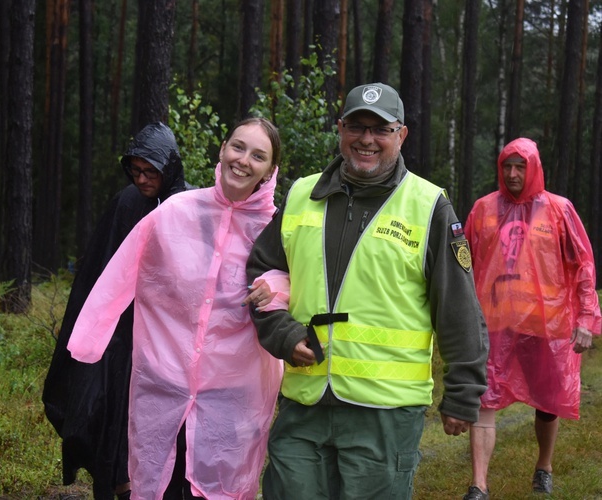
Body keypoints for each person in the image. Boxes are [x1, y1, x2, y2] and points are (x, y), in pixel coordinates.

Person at [246, 82, 489, 499]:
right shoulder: (303, 194)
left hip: (385, 414)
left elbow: (458, 307)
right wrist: (283, 334)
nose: (366, 140)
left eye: (380, 130)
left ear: (401, 135)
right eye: (356, 126)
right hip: (305, 405)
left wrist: (464, 391)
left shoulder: (429, 206)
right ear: (340, 129)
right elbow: (262, 273)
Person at [67, 117, 284, 500]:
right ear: (222, 149)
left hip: (234, 392)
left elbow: (302, 282)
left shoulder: (278, 227)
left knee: (220, 489)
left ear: (270, 169)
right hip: (164, 383)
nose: (243, 160)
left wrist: (279, 289)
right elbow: (121, 271)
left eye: (258, 155)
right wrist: (87, 340)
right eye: (238, 147)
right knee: (162, 484)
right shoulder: (177, 211)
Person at [43, 122, 187, 500]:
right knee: (106, 412)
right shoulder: (126, 203)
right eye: (135, 170)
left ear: (169, 168)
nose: (142, 179)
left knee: (158, 418)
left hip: (164, 337)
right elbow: (99, 272)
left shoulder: (186, 206)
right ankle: (118, 487)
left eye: (150, 171)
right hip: (119, 335)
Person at [461, 137, 601, 499]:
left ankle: (544, 465)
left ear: (534, 168)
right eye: (507, 166)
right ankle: (479, 484)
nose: (512, 174)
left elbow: (583, 265)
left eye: (520, 167)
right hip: (494, 324)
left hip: (544, 324)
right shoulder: (483, 209)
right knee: (484, 396)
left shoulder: (558, 210)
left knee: (547, 400)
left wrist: (586, 317)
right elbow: (464, 266)